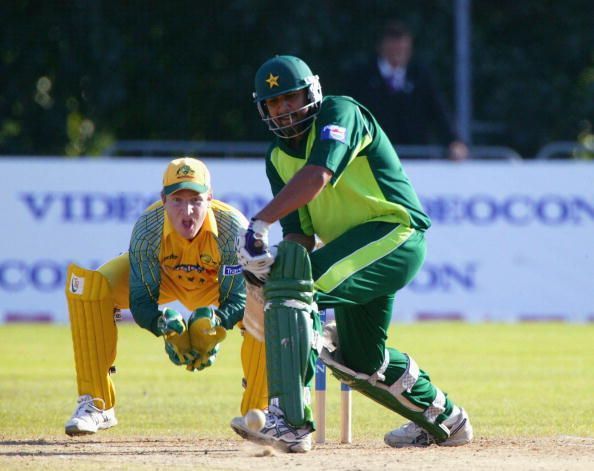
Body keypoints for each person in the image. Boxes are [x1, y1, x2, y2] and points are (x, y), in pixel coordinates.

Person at [231, 55, 473, 452]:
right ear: (263, 109)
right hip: (354, 251)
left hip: (394, 232)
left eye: (290, 98)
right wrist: (269, 266)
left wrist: (259, 225)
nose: (284, 110)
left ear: (312, 93)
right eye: (274, 103)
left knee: (297, 290)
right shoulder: (276, 156)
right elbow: (300, 236)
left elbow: (318, 175)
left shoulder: (341, 112)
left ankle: (289, 424)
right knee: (358, 359)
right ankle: (444, 418)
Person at [64, 157, 268, 435]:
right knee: (90, 289)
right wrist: (164, 326)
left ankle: (260, 411)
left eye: (196, 200)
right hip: (166, 280)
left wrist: (214, 325)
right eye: (177, 200)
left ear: (210, 198)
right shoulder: (148, 228)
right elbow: (142, 301)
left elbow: (237, 299)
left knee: (263, 301)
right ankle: (97, 405)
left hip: (215, 286)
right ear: (163, 200)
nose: (187, 211)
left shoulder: (233, 228)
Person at [346, 20, 469, 161]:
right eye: (394, 46)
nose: (399, 51)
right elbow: (350, 114)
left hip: (417, 160)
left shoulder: (420, 76)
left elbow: (438, 111)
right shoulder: (362, 77)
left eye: (403, 48)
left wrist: (454, 141)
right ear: (382, 47)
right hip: (373, 158)